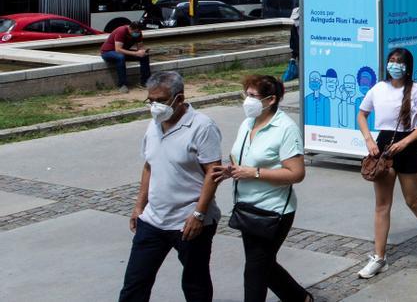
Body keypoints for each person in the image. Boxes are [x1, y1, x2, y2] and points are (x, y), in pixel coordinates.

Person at [119, 71, 222, 302]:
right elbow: (149, 166)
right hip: (153, 220)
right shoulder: (153, 125)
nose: (155, 106)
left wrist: (198, 213)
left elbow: (213, 173)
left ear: (179, 98)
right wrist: (139, 206)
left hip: (189, 222)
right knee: (134, 285)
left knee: (195, 284)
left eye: (161, 101)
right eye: (151, 100)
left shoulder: (202, 127)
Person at [218, 74, 310, 302]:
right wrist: (233, 169)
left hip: (273, 211)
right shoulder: (247, 123)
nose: (247, 100)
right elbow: (241, 156)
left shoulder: (285, 128)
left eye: (252, 96)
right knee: (263, 264)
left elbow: (296, 173)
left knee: (255, 269)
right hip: (246, 207)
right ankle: (299, 298)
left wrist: (255, 173)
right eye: (246, 94)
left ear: (270, 100)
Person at [355, 48, 417, 279]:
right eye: (391, 61)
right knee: (382, 205)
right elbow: (362, 114)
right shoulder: (378, 88)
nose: (395, 65)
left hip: (408, 145)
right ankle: (379, 257)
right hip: (383, 144)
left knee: (412, 199)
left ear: (408, 66)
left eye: (399, 62)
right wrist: (369, 140)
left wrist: (407, 142)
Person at [102, 19, 152, 93]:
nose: (137, 33)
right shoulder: (121, 31)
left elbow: (140, 47)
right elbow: (118, 50)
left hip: (122, 52)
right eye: (136, 32)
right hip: (108, 52)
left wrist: (142, 52)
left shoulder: (138, 33)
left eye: (139, 32)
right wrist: (135, 53)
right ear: (130, 29)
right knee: (120, 57)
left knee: (144, 56)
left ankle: (145, 82)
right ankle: (122, 84)